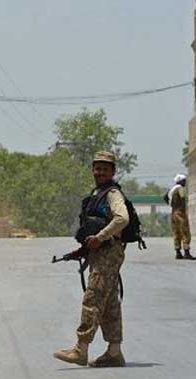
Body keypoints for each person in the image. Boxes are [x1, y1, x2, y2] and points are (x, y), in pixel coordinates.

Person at [54, 151, 128, 368]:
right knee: (109, 302)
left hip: (109, 252)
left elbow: (122, 218)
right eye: (97, 168)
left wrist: (100, 237)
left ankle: (81, 349)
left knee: (93, 298)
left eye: (105, 168)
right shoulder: (98, 193)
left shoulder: (113, 194)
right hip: (101, 253)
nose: (100, 172)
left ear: (113, 171)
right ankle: (114, 352)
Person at [168, 174, 196, 260]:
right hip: (180, 213)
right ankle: (186, 252)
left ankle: (178, 252)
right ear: (180, 181)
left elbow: (166, 198)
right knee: (185, 233)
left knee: (176, 233)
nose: (185, 182)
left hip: (173, 213)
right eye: (184, 181)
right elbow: (182, 197)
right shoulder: (180, 188)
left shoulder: (172, 190)